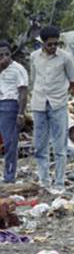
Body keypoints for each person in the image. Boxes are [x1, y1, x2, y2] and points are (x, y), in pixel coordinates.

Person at [30, 26, 74, 193]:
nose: (53, 47)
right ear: (43, 43)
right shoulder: (34, 57)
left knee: (59, 145)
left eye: (56, 44)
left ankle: (59, 182)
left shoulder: (66, 58)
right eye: (50, 44)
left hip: (58, 104)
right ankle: (44, 179)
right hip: (39, 104)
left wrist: (70, 95)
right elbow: (34, 79)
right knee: (40, 144)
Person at [0, 41, 28, 183]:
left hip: (9, 106)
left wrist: (21, 113)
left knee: (10, 143)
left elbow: (23, 92)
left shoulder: (18, 69)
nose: (4, 57)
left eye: (7, 54)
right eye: (1, 55)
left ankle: (9, 176)